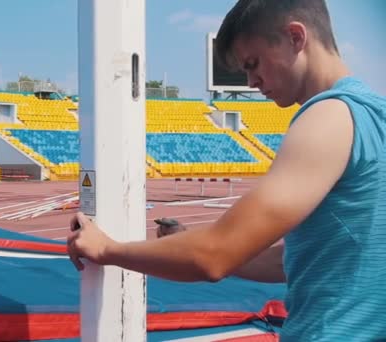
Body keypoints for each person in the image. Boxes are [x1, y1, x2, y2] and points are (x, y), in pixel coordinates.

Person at [66, 0, 386, 340]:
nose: (251, 81)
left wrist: (106, 249)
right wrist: (184, 242)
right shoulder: (375, 116)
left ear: (295, 37)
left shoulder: (327, 119)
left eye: (253, 63)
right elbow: (297, 261)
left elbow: (214, 256)